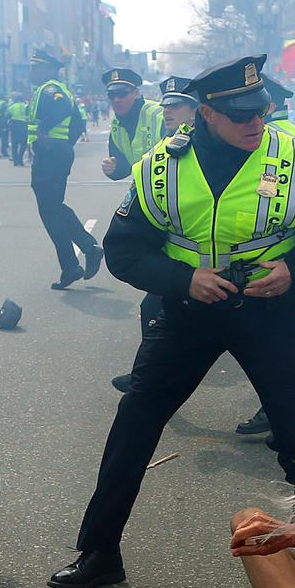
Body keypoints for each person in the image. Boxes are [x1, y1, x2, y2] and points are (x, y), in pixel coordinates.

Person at [47, 55, 295, 588]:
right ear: (206, 114)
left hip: (266, 312)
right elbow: (123, 250)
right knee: (133, 426)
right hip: (188, 315)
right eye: (241, 115)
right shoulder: (162, 166)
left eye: (261, 110)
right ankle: (99, 552)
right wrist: (181, 279)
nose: (256, 122)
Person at [235, 76, 295, 437]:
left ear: (267, 108)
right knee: (284, 331)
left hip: (292, 258)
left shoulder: (280, 146)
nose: (246, 121)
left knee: (284, 332)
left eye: (250, 111)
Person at [110, 74, 198, 394]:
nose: (168, 111)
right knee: (156, 311)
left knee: (259, 346)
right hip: (179, 251)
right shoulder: (169, 145)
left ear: (195, 110)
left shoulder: (199, 145)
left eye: (177, 105)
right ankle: (146, 380)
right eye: (166, 106)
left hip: (208, 254)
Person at [26, 50, 102, 290]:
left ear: (49, 69)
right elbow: (78, 121)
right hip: (53, 153)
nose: (31, 71)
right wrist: (63, 144)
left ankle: (76, 260)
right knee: (53, 209)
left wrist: (47, 135)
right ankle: (80, 256)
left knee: (50, 210)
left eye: (36, 67)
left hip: (50, 155)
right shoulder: (52, 89)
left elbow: (64, 109)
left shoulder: (51, 89)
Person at [100, 68, 165, 181]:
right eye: (111, 95)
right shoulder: (116, 124)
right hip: (145, 185)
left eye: (122, 94)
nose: (116, 100)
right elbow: (124, 167)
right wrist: (112, 169)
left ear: (135, 94)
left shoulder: (160, 115)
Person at [7, 91, 28, 166]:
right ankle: (20, 159)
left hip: (14, 125)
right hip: (23, 125)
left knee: (14, 144)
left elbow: (7, 114)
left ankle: (15, 161)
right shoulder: (26, 106)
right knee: (23, 143)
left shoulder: (12, 106)